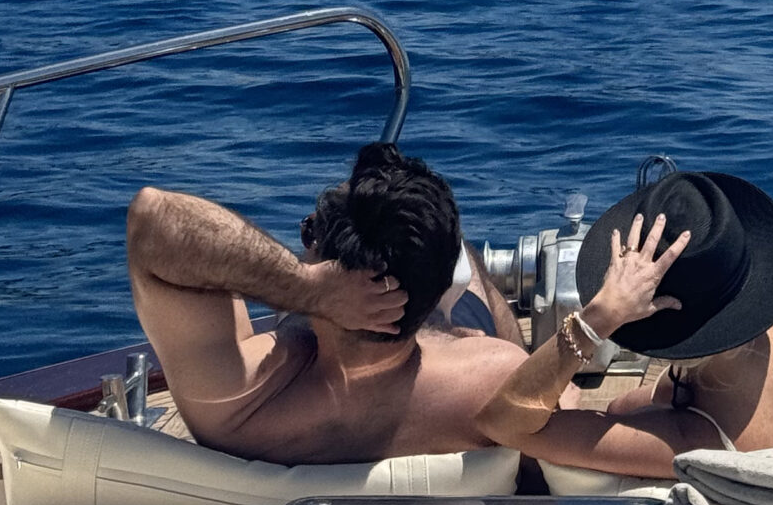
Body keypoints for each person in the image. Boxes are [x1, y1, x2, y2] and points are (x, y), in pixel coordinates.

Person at [128, 140, 528, 462]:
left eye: (308, 233)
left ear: (325, 268)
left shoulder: (241, 403)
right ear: (439, 287)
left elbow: (152, 218)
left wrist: (307, 287)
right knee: (462, 253)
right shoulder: (493, 377)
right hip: (445, 378)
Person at [472, 169, 773, 476]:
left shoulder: (691, 439)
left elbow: (503, 422)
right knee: (624, 408)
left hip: (731, 447)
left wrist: (600, 317)